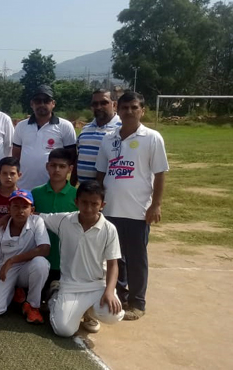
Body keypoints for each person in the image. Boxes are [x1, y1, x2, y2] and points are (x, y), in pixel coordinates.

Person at [96, 91, 168, 321]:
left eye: (134, 107)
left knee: (136, 258)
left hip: (137, 211)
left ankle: (138, 302)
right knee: (115, 258)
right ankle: (120, 296)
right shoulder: (109, 138)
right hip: (110, 209)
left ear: (142, 110)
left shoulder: (152, 137)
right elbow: (100, 173)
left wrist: (155, 205)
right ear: (118, 109)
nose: (128, 112)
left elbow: (159, 174)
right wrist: (98, 204)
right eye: (124, 107)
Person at [40, 181, 125, 337]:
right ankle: (55, 296)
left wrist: (110, 291)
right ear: (76, 201)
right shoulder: (64, 221)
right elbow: (37, 217)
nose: (88, 208)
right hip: (70, 285)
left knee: (114, 315)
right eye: (84, 203)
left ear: (102, 205)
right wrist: (6, 219)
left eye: (94, 204)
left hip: (97, 285)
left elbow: (113, 264)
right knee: (64, 330)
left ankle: (89, 313)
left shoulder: (109, 229)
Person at [0, 190, 50, 324]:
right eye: (16, 206)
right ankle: (14, 291)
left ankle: (32, 306)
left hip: (26, 268)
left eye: (25, 207)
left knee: (41, 263)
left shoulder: (37, 221)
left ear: (32, 210)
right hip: (4, 269)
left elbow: (44, 249)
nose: (20, 210)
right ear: (8, 209)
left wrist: (12, 260)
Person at [32, 148, 78, 298]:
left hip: (67, 263)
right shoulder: (35, 193)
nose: (57, 170)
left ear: (70, 169)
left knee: (58, 300)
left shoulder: (77, 196)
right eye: (53, 165)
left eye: (62, 166)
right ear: (47, 166)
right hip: (40, 259)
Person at [12, 85, 77, 190]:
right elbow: (16, 156)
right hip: (24, 188)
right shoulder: (21, 126)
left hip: (53, 189)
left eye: (46, 101)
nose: (42, 104)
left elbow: (72, 158)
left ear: (53, 104)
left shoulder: (65, 126)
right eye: (38, 101)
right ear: (32, 104)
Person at [74, 89, 121, 185]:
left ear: (114, 105)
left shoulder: (122, 129)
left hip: (109, 192)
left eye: (104, 103)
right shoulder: (85, 129)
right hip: (85, 192)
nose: (99, 107)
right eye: (95, 104)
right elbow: (79, 159)